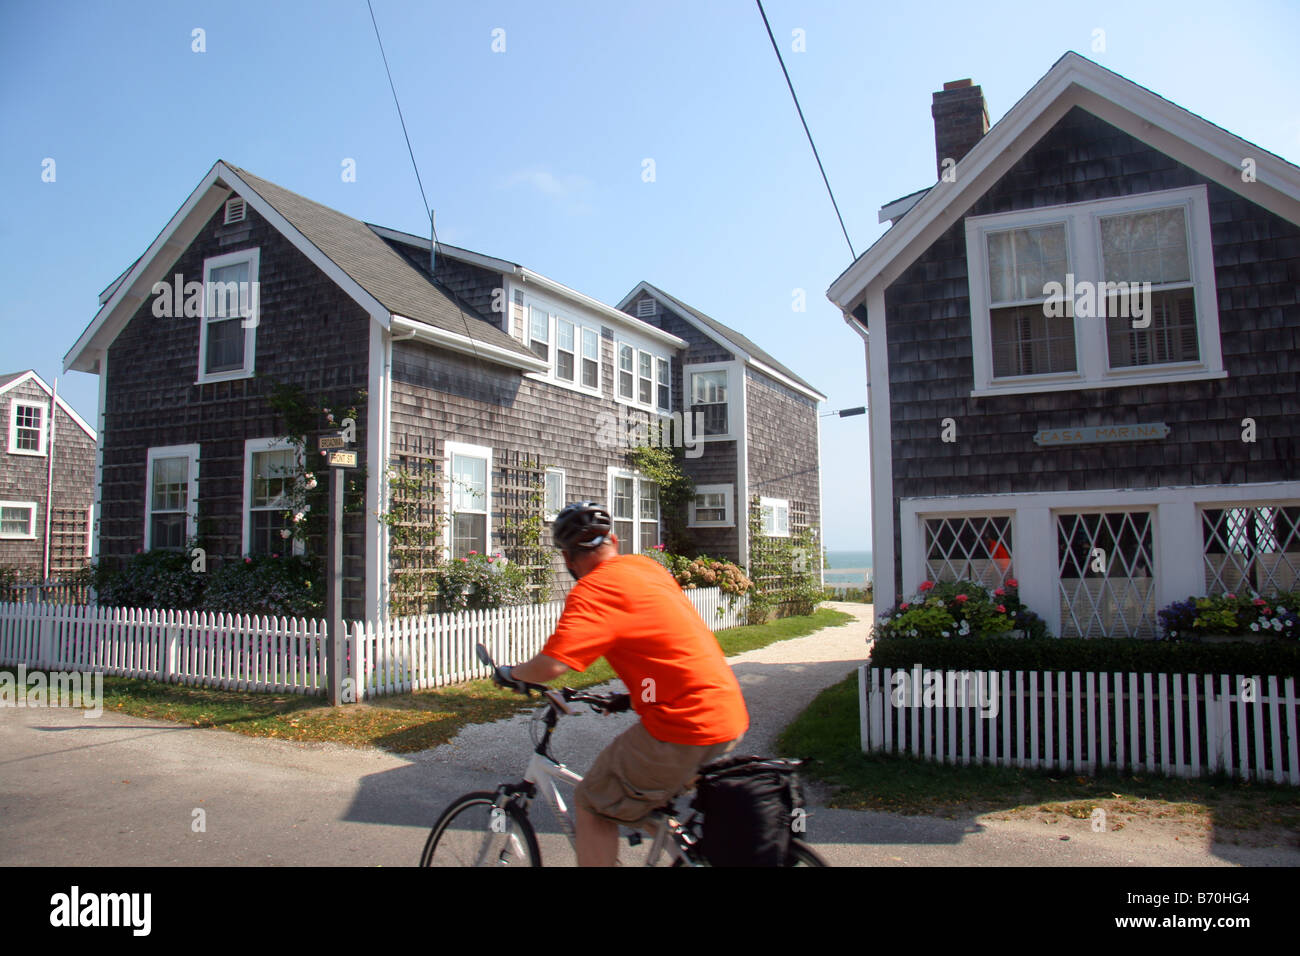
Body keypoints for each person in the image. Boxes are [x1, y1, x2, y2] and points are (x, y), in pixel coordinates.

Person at [494, 501, 749, 866]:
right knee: (633, 799)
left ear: (567, 559)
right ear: (614, 539)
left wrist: (511, 674)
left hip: (685, 725)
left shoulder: (594, 590)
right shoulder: (647, 568)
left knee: (593, 802)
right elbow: (662, 646)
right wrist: (635, 697)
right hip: (726, 710)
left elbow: (552, 666)